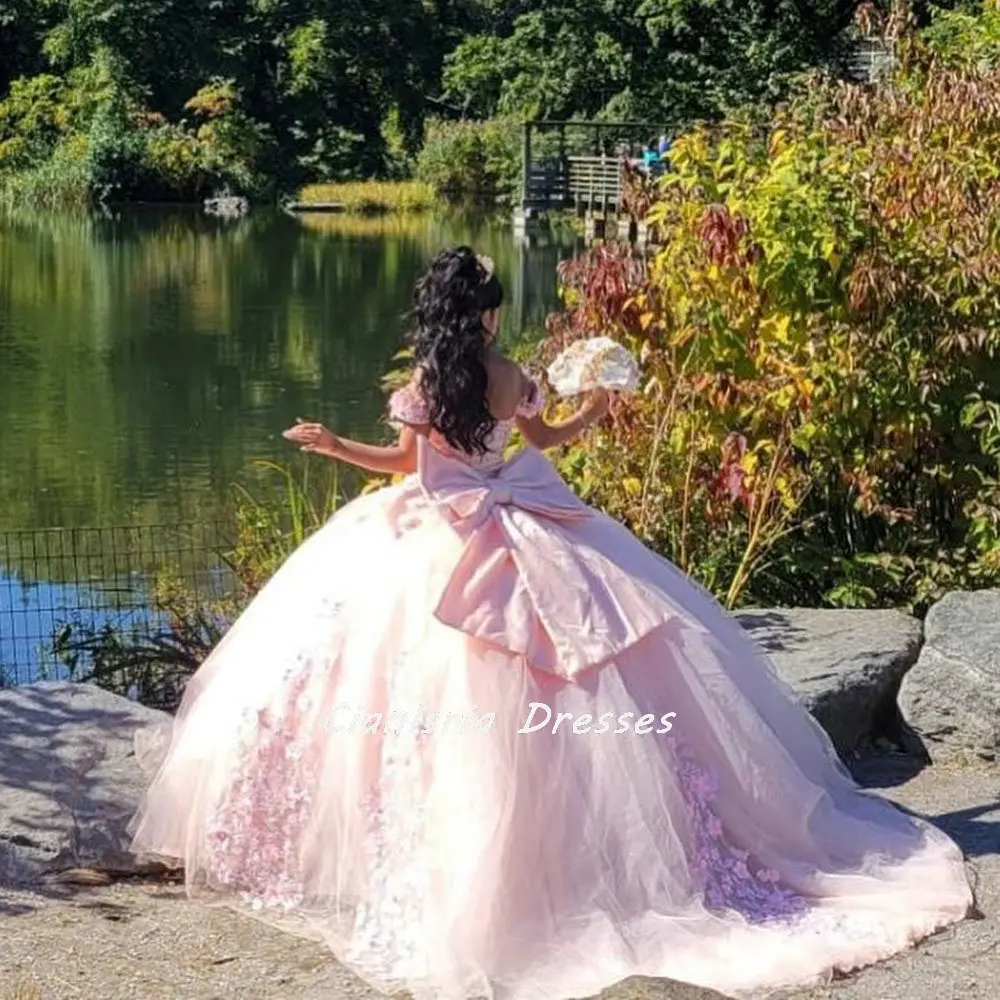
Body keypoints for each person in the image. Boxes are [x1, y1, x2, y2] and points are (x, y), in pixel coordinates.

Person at [128, 246, 973, 1000]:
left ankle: (426, 865)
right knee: (583, 675)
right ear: (487, 312)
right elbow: (549, 438)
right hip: (521, 525)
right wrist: (600, 408)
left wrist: (335, 445)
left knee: (386, 686)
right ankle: (591, 863)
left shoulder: (426, 383)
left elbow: (404, 466)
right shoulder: (509, 372)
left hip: (430, 532)